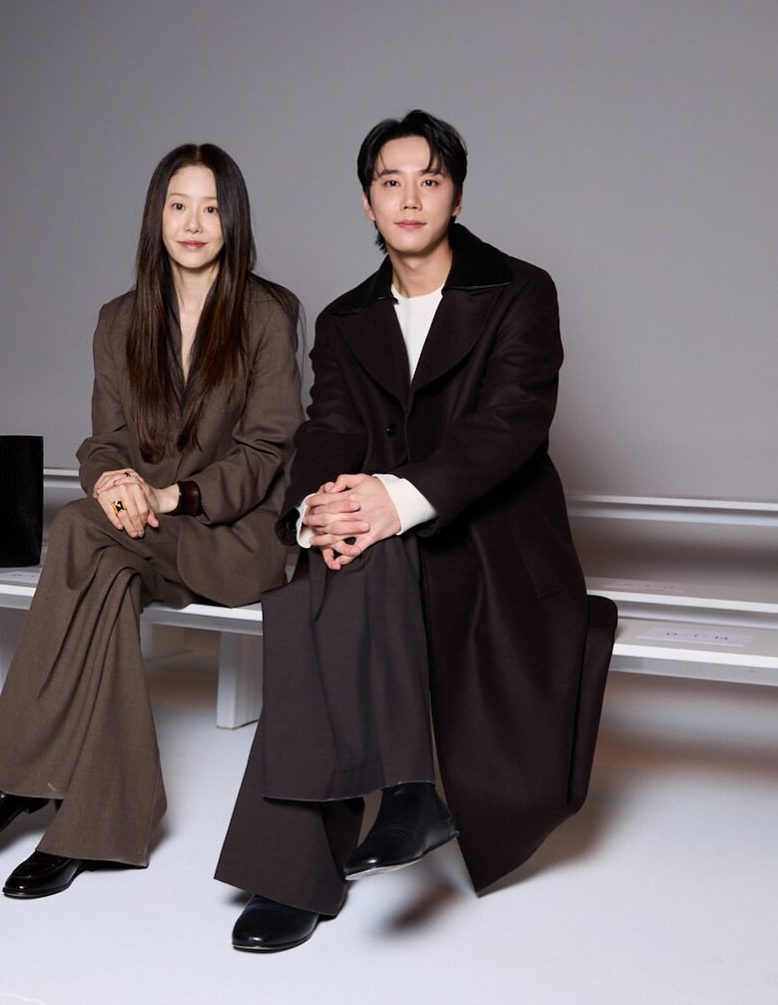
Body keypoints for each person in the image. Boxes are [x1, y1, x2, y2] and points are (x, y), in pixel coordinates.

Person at [215, 109, 617, 951]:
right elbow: (328, 430)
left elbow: (511, 423)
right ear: (367, 203)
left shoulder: (520, 291)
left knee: (350, 571)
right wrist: (317, 511)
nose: (409, 199)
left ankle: (304, 863)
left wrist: (394, 501)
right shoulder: (345, 319)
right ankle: (406, 796)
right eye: (390, 182)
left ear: (456, 198)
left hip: (493, 543)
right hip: (383, 544)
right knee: (336, 566)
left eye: (428, 181)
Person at [0, 142, 301, 898]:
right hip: (140, 533)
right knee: (103, 566)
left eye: (211, 208)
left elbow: (267, 450)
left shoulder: (268, 313)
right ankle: (97, 824)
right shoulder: (119, 319)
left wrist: (171, 496)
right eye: (178, 205)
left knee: (75, 530)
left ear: (234, 220)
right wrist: (110, 479)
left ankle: (11, 779)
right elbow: (105, 441)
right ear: (156, 215)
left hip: (229, 535)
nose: (193, 224)